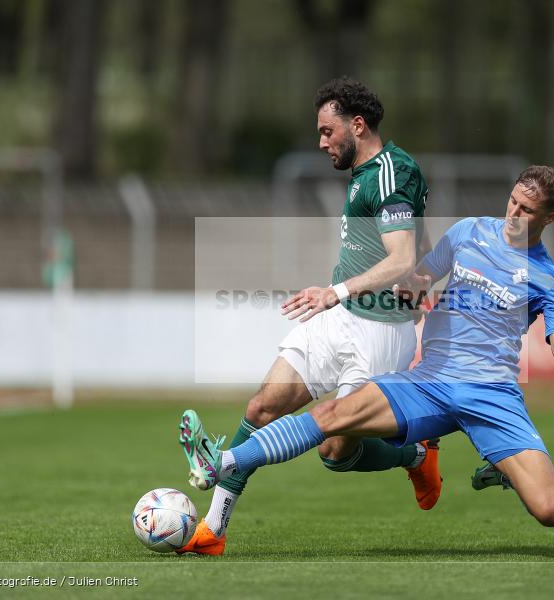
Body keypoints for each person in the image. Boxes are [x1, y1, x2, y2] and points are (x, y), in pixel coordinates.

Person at [184, 165, 554, 533]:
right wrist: (406, 286)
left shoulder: (550, 281)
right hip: (429, 381)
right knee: (331, 422)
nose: (513, 213)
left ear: (549, 219)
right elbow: (419, 278)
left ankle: (506, 467)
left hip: (492, 394)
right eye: (513, 200)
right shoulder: (467, 232)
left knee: (550, 511)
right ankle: (222, 460)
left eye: (527, 210)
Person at [177, 77, 438, 556]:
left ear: (357, 125)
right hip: (337, 320)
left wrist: (337, 291)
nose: (321, 143)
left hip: (379, 334)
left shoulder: (389, 172)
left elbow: (400, 257)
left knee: (334, 453)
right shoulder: (369, 174)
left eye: (326, 131)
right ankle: (213, 530)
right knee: (261, 407)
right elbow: (411, 249)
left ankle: (416, 454)